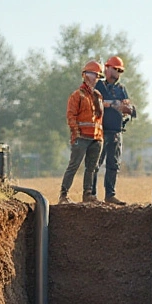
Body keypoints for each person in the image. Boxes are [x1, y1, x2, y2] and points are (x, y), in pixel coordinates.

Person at [58, 60, 105, 204]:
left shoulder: (97, 96)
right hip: (82, 137)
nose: (96, 78)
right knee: (74, 166)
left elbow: (99, 119)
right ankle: (63, 195)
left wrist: (100, 138)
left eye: (98, 76)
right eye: (94, 75)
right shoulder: (77, 95)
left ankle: (88, 195)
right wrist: (76, 133)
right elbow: (71, 116)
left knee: (92, 168)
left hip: (96, 138)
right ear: (85, 75)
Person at [94, 55, 136, 205]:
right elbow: (95, 102)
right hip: (100, 131)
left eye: (120, 70)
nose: (118, 72)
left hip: (116, 131)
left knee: (113, 164)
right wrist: (113, 103)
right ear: (107, 68)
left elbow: (129, 108)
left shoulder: (121, 89)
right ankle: (91, 195)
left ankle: (110, 195)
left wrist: (128, 109)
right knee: (95, 163)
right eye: (116, 69)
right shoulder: (98, 86)